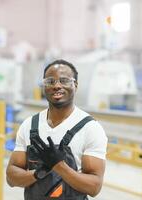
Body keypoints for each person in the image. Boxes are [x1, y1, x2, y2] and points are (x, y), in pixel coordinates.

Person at [6, 59, 108, 199]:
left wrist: (59, 166)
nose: (57, 85)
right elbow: (11, 177)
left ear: (75, 85)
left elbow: (94, 187)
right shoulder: (29, 125)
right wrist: (38, 173)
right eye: (50, 81)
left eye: (64, 80)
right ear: (44, 87)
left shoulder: (90, 128)